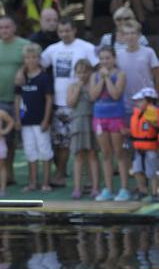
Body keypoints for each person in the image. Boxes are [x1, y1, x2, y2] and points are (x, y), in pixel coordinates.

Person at [39, 17, 99, 186]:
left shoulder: (86, 47)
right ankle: (61, 174)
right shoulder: (52, 49)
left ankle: (89, 180)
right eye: (61, 31)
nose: (64, 34)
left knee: (86, 143)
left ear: (74, 30)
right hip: (59, 102)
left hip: (82, 103)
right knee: (61, 142)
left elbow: (97, 68)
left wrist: (91, 88)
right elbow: (38, 64)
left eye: (67, 30)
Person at [0, 15, 29, 183]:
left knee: (30, 136)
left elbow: (34, 62)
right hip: (1, 100)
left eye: (7, 27)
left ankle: (35, 178)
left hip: (24, 100)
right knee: (6, 140)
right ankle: (8, 174)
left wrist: (22, 70)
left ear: (14, 28)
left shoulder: (24, 45)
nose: (4, 30)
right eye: (1, 27)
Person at [89, 46, 131, 201]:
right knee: (105, 154)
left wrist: (106, 78)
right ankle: (108, 189)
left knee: (119, 152)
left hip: (116, 118)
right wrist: (101, 79)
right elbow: (93, 96)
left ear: (114, 58)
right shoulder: (94, 76)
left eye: (107, 58)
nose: (105, 61)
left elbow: (115, 94)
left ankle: (124, 189)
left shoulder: (120, 74)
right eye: (102, 58)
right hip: (99, 118)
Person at [13, 44, 54, 192]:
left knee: (45, 151)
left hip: (40, 121)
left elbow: (49, 99)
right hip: (25, 121)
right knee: (30, 152)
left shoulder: (44, 77)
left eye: (34, 57)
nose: (31, 60)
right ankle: (32, 182)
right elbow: (17, 98)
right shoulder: (21, 77)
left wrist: (46, 120)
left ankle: (46, 182)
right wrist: (17, 118)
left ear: (39, 58)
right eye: (28, 57)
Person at [67, 60, 99, 199]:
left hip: (91, 120)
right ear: (75, 73)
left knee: (93, 155)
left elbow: (93, 98)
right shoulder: (72, 86)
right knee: (78, 156)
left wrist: (89, 84)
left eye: (86, 71)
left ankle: (95, 186)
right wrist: (78, 89)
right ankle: (77, 188)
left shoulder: (93, 85)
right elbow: (71, 103)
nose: (82, 75)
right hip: (78, 123)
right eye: (79, 72)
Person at [117, 20, 159, 116]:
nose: (130, 36)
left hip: (148, 103)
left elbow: (157, 76)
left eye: (133, 33)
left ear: (139, 35)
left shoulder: (149, 52)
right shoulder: (118, 56)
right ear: (123, 37)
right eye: (127, 34)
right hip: (127, 104)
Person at [130, 87, 159, 201]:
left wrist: (154, 121)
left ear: (149, 101)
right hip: (138, 148)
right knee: (137, 170)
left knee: (151, 172)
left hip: (151, 148)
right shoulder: (137, 114)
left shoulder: (153, 113)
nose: (137, 103)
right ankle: (143, 191)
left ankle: (155, 193)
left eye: (140, 101)